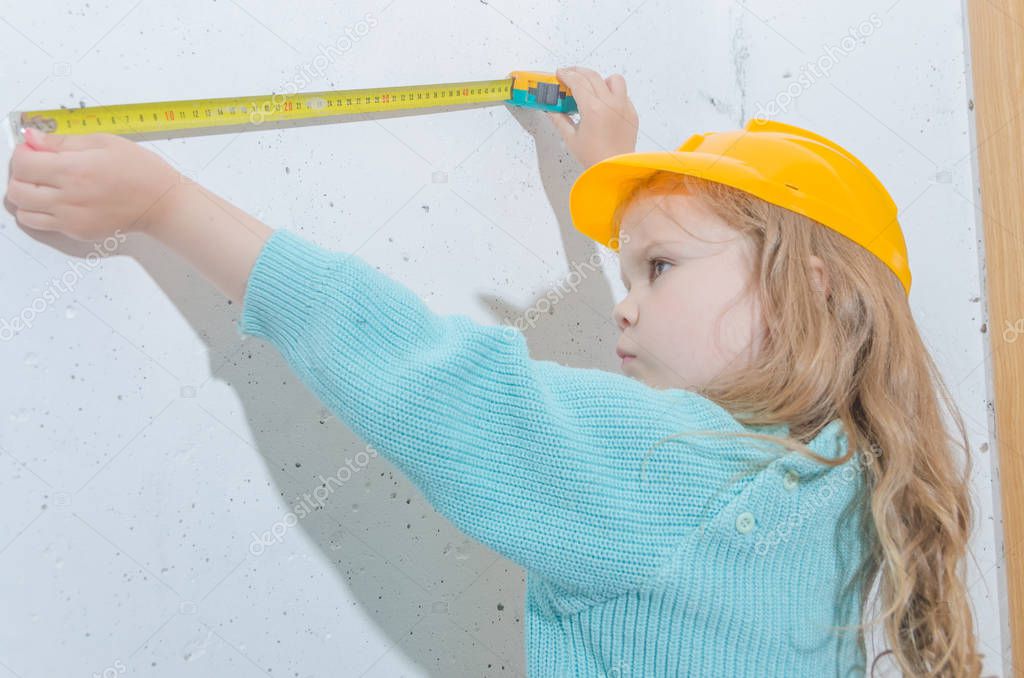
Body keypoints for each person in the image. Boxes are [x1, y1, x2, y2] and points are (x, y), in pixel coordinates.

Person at [4, 65, 984, 677]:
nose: (628, 303)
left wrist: (167, 202)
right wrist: (631, 181)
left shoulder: (667, 474)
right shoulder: (846, 484)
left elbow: (427, 373)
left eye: (659, 267)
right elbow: (686, 394)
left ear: (801, 292)